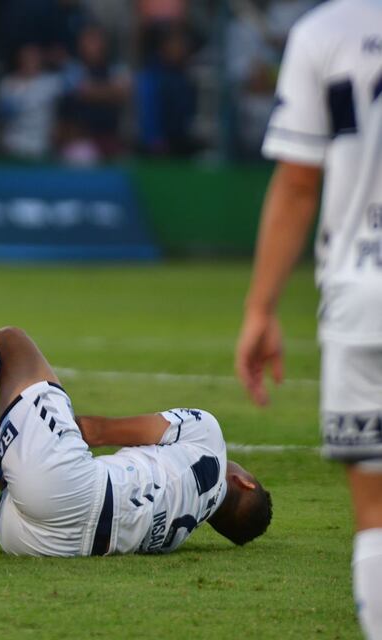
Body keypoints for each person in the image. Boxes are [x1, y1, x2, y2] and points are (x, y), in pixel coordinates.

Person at [234, 1, 382, 636]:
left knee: (375, 512)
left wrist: (261, 308)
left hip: (363, 291)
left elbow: (298, 184)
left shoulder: (327, 30)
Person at [0, 327, 271, 557]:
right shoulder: (175, 537)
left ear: (245, 483)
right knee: (19, 469)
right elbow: (19, 497)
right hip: (50, 544)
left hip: (77, 487)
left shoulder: (209, 438)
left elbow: (95, 431)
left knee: (11, 345)